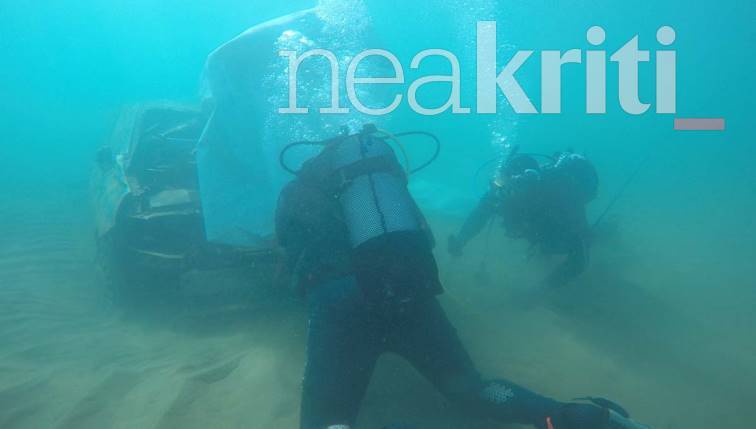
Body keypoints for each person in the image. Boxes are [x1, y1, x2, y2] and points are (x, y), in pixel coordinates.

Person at [276, 126, 648, 429]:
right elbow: (423, 239)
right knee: (473, 391)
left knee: (327, 422)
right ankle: (576, 418)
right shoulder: (386, 187)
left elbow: (291, 262)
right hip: (410, 293)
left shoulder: (296, 191)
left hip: (340, 305)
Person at [448, 149, 599, 288]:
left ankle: (604, 231)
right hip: (539, 225)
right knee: (542, 242)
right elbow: (479, 215)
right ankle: (543, 252)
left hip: (556, 228)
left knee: (553, 244)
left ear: (530, 183)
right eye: (503, 183)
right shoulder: (501, 193)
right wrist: (461, 240)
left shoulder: (559, 195)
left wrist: (540, 291)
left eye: (517, 186)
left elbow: (580, 259)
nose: (507, 192)